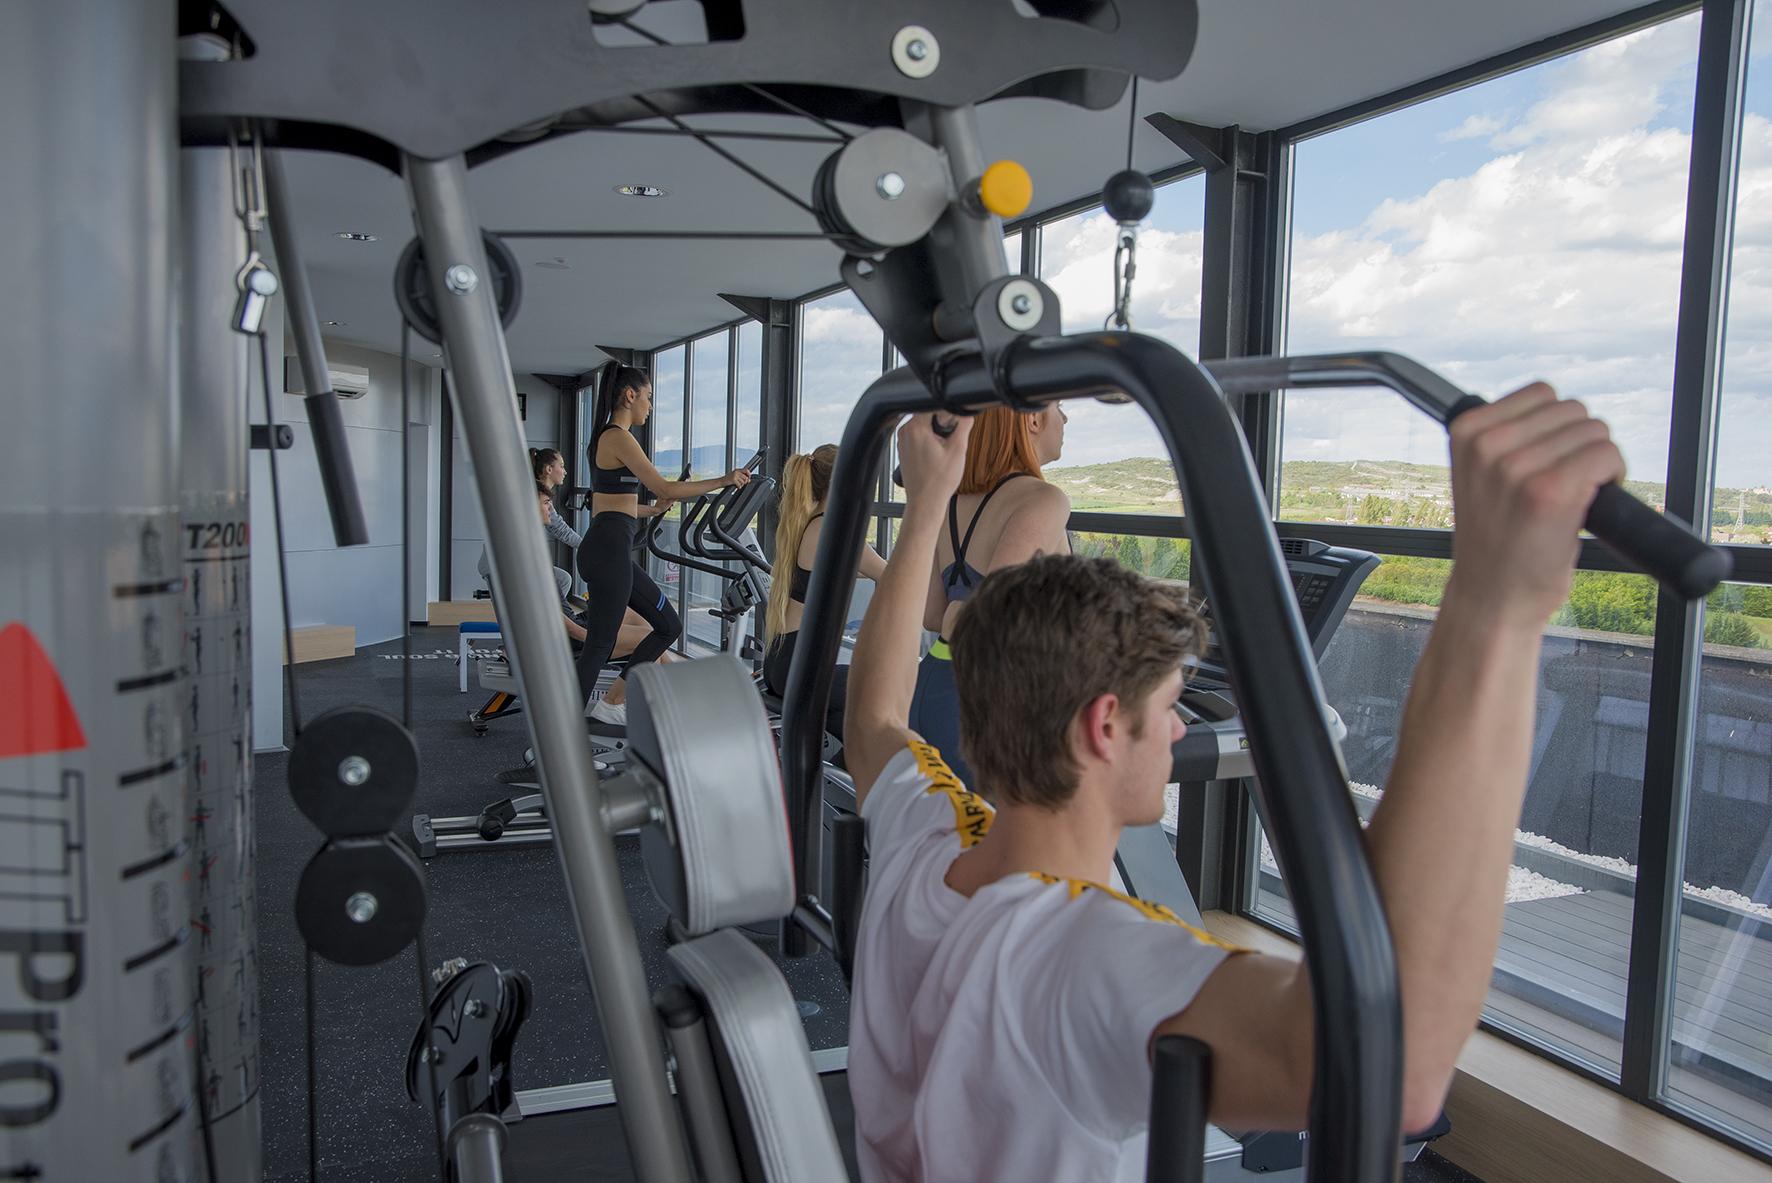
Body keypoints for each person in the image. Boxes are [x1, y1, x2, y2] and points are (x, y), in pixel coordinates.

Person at [844, 389, 1625, 1182]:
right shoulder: (1079, 960)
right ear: (1104, 727)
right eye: (1167, 708)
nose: (1181, 729)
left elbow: (875, 714)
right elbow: (1394, 1069)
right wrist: (1497, 605)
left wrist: (929, 497)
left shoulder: (926, 835)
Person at [577, 362, 750, 725]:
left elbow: (609, 503)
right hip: (609, 552)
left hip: (609, 547)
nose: (651, 406)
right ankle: (559, 735)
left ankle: (612, 703)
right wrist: (724, 479)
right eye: (649, 397)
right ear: (630, 395)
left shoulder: (609, 439)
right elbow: (667, 487)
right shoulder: (618, 436)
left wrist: (652, 509)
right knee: (599, 647)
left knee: (668, 626)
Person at [907, 403, 1069, 788]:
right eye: (1060, 407)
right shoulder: (1044, 500)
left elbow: (932, 614)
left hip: (932, 684)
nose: (1065, 419)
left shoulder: (950, 501)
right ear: (1032, 419)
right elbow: (987, 621)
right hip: (988, 700)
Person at [762, 445, 886, 741]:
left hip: (785, 663)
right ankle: (864, 777)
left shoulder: (810, 525)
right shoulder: (837, 530)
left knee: (849, 716)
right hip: (803, 667)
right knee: (885, 692)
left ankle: (834, 775)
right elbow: (892, 576)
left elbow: (842, 571)